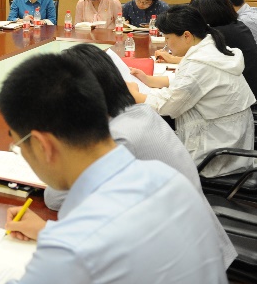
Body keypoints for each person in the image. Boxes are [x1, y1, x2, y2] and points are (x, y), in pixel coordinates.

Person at [0, 54, 230, 284]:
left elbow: (88, 249)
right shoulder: (167, 179)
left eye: (19, 144)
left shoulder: (71, 250)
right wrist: (47, 232)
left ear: (43, 145)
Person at [43, 44, 236, 268]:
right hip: (197, 241)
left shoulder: (117, 137)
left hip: (179, 264)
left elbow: (55, 198)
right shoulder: (140, 112)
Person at [127, 5, 257, 177]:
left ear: (187, 36)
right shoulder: (210, 47)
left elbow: (169, 105)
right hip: (230, 139)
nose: (166, 43)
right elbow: (190, 84)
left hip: (216, 153)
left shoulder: (199, 64)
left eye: (167, 38)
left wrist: (135, 95)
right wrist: (150, 80)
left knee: (143, 150)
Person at [170, 0, 257, 102]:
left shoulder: (218, 34)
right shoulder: (237, 25)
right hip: (256, 92)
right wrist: (173, 59)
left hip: (249, 100)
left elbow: (200, 64)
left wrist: (174, 58)